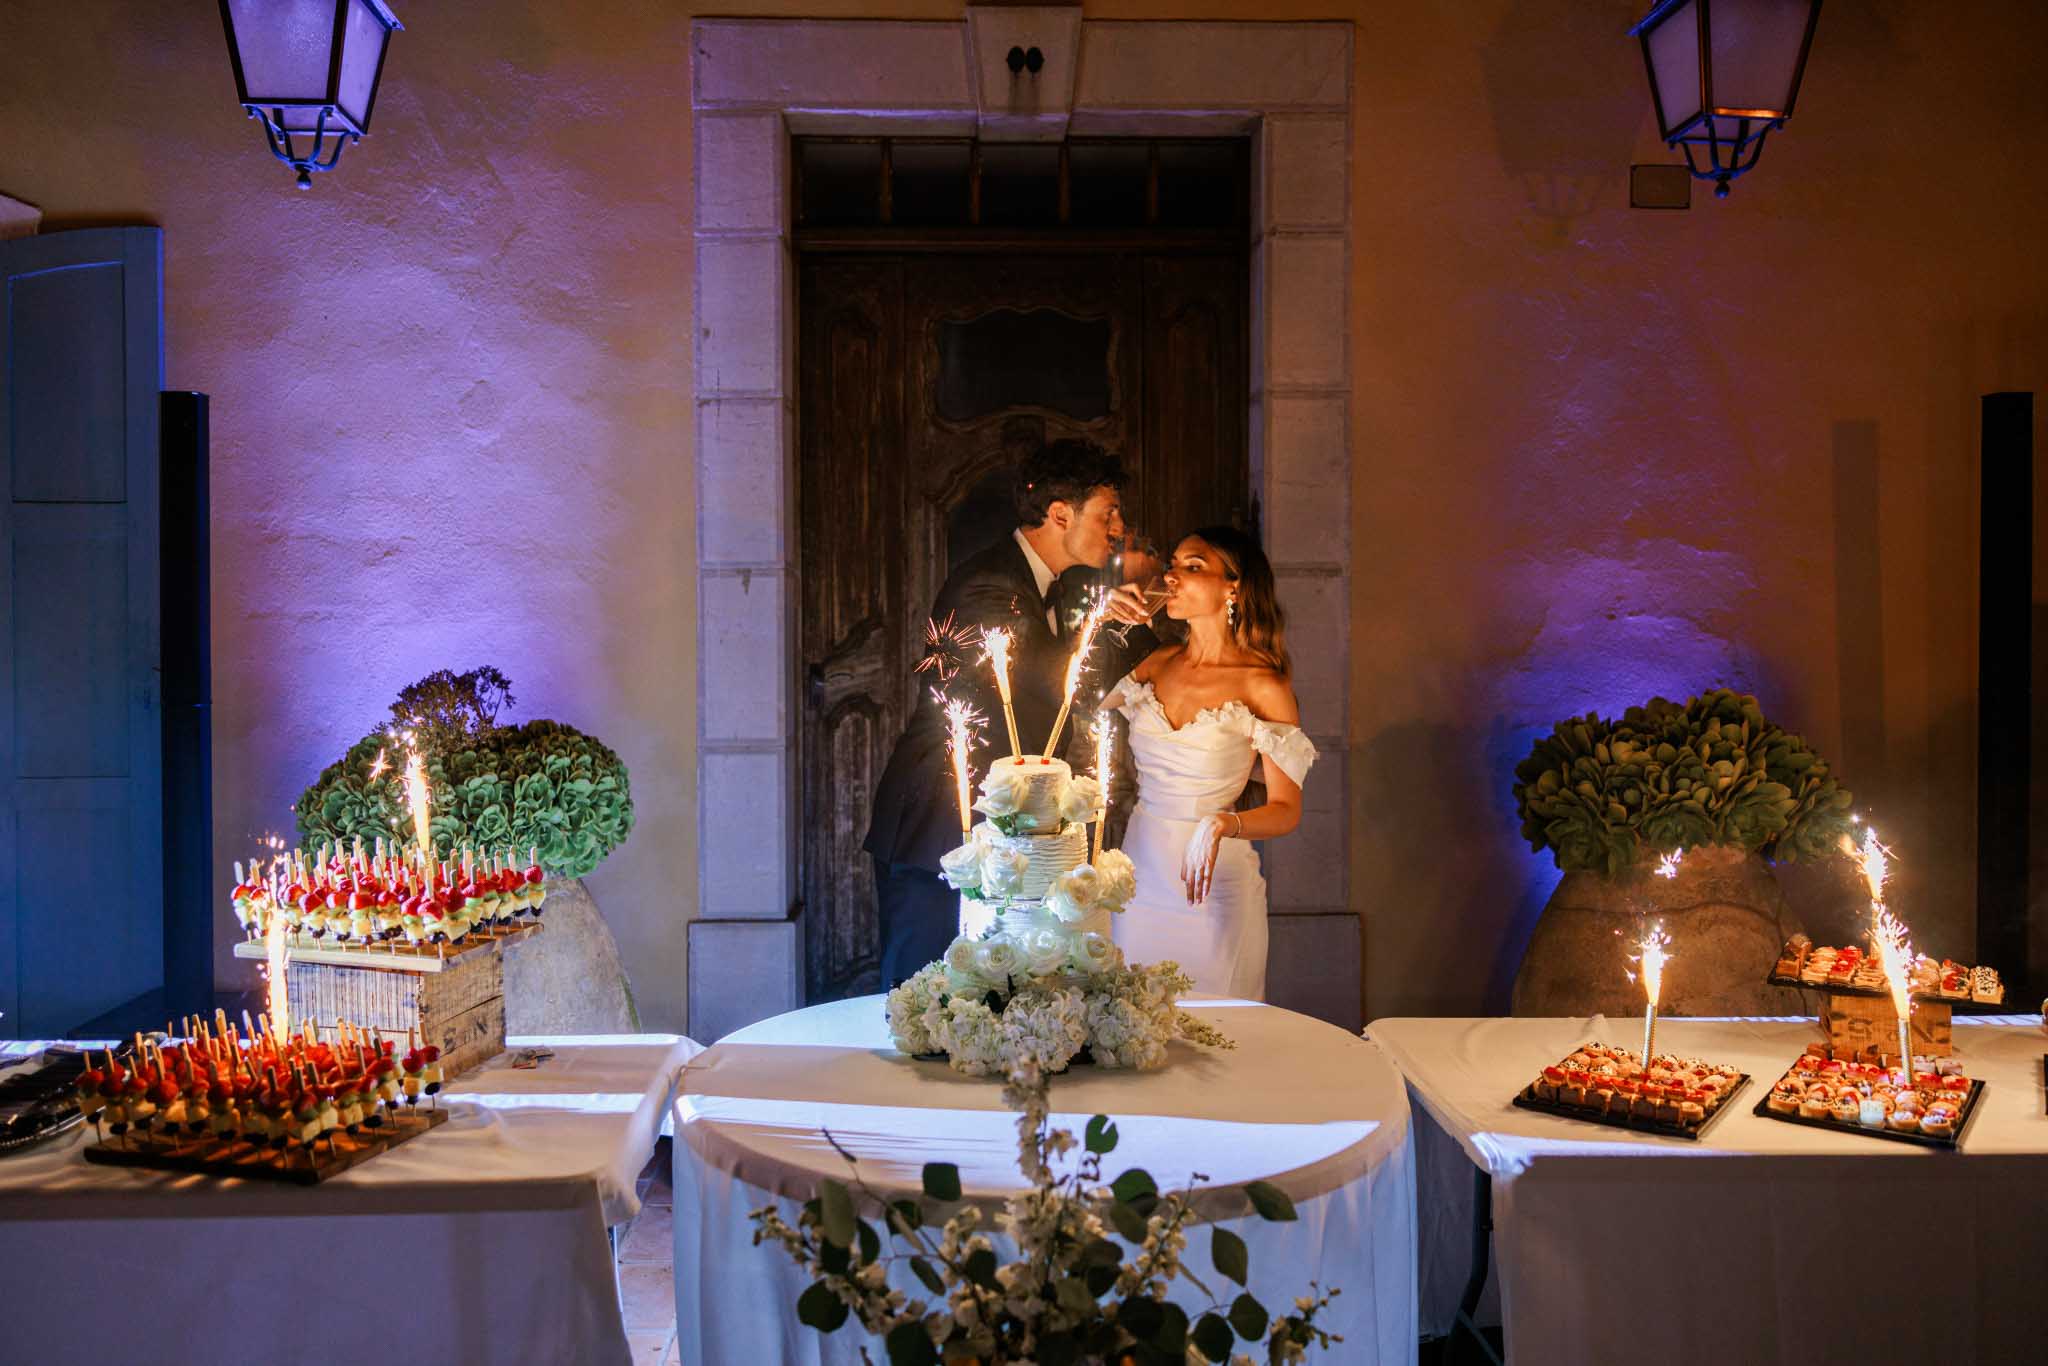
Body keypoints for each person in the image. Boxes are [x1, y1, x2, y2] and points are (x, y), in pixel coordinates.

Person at [865, 438, 1154, 989]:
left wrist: (1112, 620)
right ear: (1059, 514)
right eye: (1107, 512)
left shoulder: (1049, 586)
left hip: (993, 821)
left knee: (984, 994)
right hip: (941, 821)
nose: (1118, 528)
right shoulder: (990, 584)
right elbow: (1052, 686)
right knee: (922, 985)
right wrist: (1119, 626)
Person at [1098, 525, 1315, 999]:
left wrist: (1223, 823)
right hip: (1140, 882)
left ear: (1232, 586)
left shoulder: (1263, 684)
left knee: (1221, 1040)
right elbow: (1069, 699)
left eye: (1193, 566)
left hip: (1214, 891)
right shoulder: (1152, 663)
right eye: (1172, 564)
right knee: (1135, 1026)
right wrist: (1106, 621)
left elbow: (1286, 808)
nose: (1173, 576)